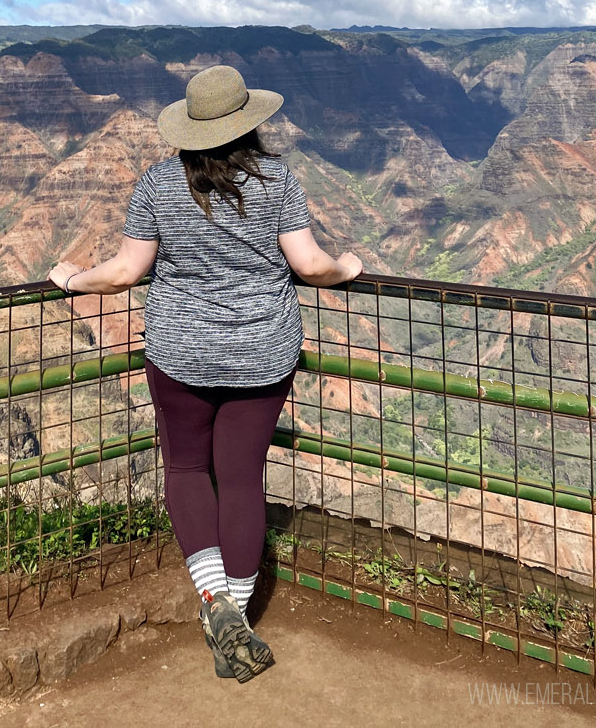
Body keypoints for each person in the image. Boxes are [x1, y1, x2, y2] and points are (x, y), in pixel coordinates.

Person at [48, 64, 363, 682]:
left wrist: (68, 279)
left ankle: (215, 603)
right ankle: (236, 619)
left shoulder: (159, 185)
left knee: (188, 470)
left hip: (180, 356)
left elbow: (121, 274)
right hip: (260, 353)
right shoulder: (278, 182)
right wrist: (346, 268)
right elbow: (310, 264)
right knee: (242, 479)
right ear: (249, 123)